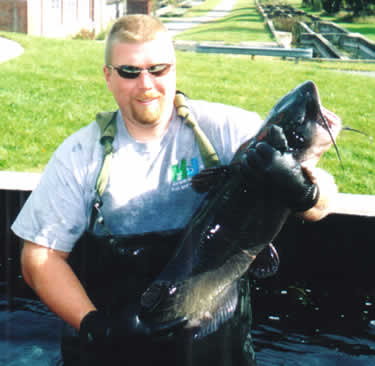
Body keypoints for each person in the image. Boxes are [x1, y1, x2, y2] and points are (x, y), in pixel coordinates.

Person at [12, 14, 341, 366]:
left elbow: (325, 201)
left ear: (174, 68)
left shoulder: (226, 129)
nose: (146, 84)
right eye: (129, 71)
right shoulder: (80, 155)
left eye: (158, 69)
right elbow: (38, 259)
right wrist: (97, 327)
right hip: (116, 343)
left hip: (219, 344)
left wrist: (305, 191)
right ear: (108, 76)